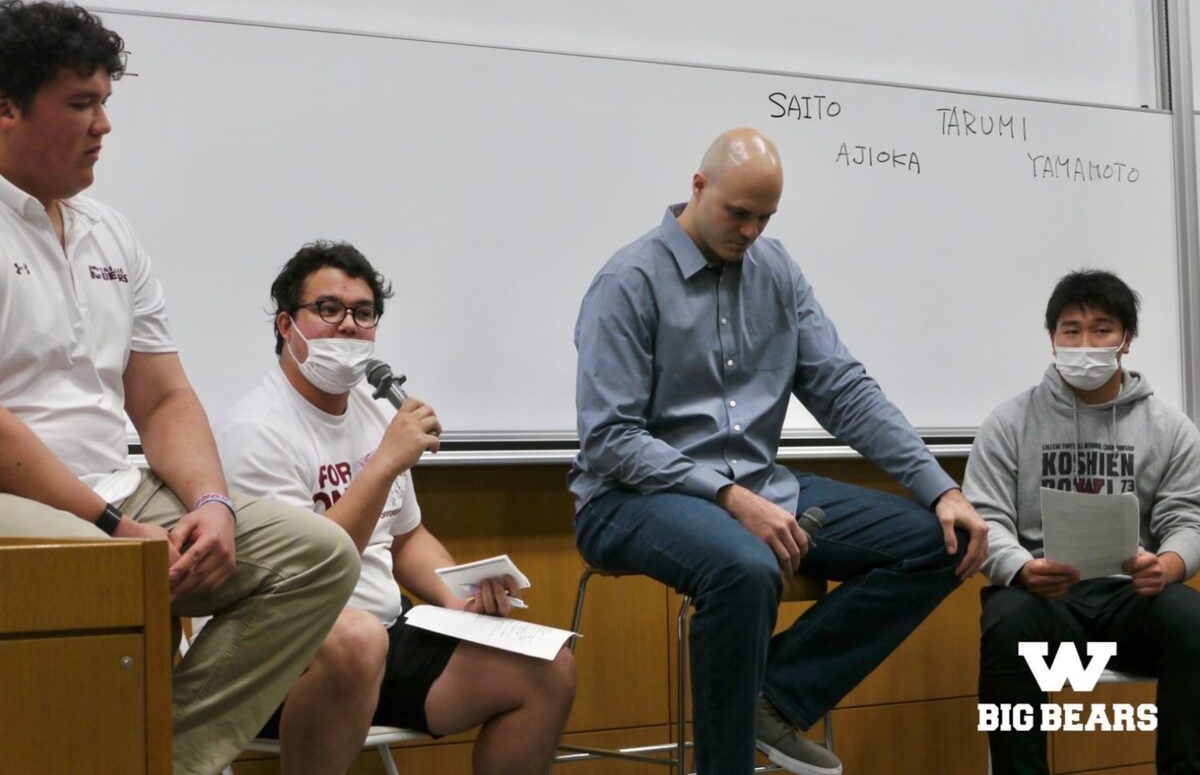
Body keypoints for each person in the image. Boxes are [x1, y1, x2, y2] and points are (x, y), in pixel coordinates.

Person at [0, 0, 360, 774]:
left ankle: (155, 756)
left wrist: (212, 504)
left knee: (319, 554)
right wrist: (109, 524)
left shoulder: (110, 232)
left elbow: (163, 397)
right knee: (102, 571)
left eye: (105, 102)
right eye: (81, 103)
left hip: (115, 490)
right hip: (21, 496)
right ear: (6, 109)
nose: (104, 125)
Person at [570, 127, 988, 775]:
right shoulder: (628, 281)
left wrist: (943, 488)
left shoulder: (777, 271)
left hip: (758, 484)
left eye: (764, 218)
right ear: (698, 187)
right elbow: (611, 439)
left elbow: (844, 391)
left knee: (942, 542)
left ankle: (773, 694)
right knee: (745, 566)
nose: (750, 231)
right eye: (738, 213)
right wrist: (729, 497)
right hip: (629, 497)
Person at [215, 241, 576, 775]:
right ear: (286, 326)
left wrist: (458, 597)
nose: (348, 325)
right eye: (329, 309)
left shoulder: (373, 412)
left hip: (384, 631)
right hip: (282, 651)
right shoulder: (255, 430)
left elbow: (406, 538)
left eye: (363, 313)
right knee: (357, 647)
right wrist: (382, 464)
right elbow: (306, 573)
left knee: (550, 670)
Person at [964, 269, 1200, 774]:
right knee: (1005, 620)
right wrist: (1022, 569)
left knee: (1192, 618)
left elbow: (1188, 517)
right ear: (1052, 338)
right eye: (1071, 330)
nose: (1085, 344)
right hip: (1043, 601)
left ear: (1126, 340)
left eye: (1102, 329)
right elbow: (985, 518)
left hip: (1133, 602)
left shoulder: (1171, 428)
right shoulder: (1009, 423)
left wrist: (1169, 565)